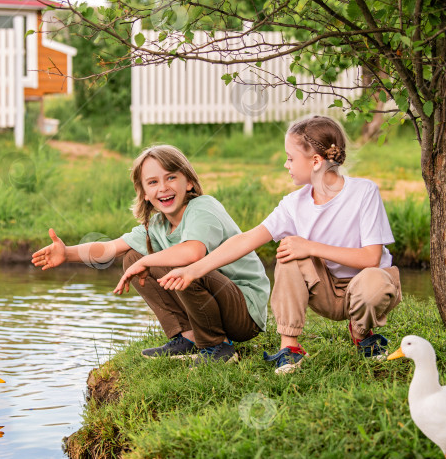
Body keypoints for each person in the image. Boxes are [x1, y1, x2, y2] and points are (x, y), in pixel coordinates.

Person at [160, 116, 401, 374]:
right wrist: (194, 269)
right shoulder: (293, 203)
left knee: (370, 281)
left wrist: (310, 246)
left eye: (290, 158)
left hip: (367, 285)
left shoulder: (364, 192)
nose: (286, 164)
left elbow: (371, 258)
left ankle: (363, 334)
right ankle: (290, 348)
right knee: (289, 250)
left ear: (316, 161)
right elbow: (246, 239)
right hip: (326, 291)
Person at [31, 144, 270, 364]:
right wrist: (67, 253)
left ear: (188, 182)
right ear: (144, 193)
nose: (163, 187)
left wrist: (148, 260)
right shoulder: (157, 226)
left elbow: (192, 252)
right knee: (132, 258)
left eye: (171, 177)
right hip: (217, 304)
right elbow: (111, 248)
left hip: (243, 313)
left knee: (179, 265)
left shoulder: (203, 207)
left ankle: (218, 346)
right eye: (153, 182)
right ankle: (188, 338)